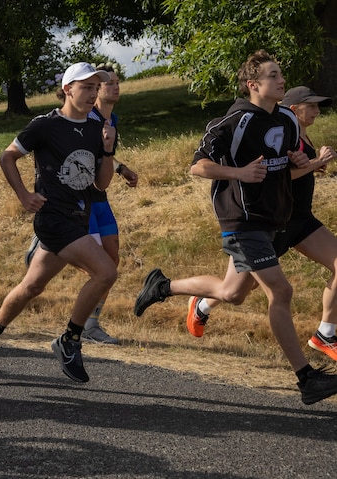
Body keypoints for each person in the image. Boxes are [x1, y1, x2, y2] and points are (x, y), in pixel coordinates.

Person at [133, 51, 337, 405]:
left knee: (233, 294)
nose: (281, 80)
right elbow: (198, 167)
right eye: (274, 76)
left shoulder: (287, 119)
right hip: (241, 220)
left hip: (275, 219)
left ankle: (164, 286)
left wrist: (303, 160)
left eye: (281, 74)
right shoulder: (232, 121)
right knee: (281, 291)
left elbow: (288, 163)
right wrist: (239, 173)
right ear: (253, 85)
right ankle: (307, 379)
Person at [0, 62, 117, 384]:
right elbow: (8, 156)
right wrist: (23, 195)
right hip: (53, 218)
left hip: (78, 218)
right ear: (68, 89)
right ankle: (70, 340)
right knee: (106, 271)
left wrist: (107, 149)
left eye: (96, 87)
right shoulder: (45, 125)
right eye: (86, 87)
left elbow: (101, 184)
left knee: (32, 286)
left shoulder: (97, 129)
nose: (93, 93)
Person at [185, 86, 337, 360]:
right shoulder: (273, 133)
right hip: (271, 221)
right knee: (235, 291)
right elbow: (278, 176)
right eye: (311, 105)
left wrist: (314, 162)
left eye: (318, 106)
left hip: (300, 220)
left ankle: (326, 332)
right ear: (293, 109)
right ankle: (201, 303)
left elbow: (297, 170)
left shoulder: (297, 136)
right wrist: (317, 162)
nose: (316, 110)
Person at [82, 64, 138, 344]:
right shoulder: (85, 118)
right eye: (109, 83)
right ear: (96, 90)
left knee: (112, 260)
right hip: (81, 201)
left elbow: (105, 155)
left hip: (100, 198)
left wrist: (121, 168)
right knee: (96, 265)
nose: (115, 87)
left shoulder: (111, 119)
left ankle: (91, 324)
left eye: (117, 82)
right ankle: (46, 244)